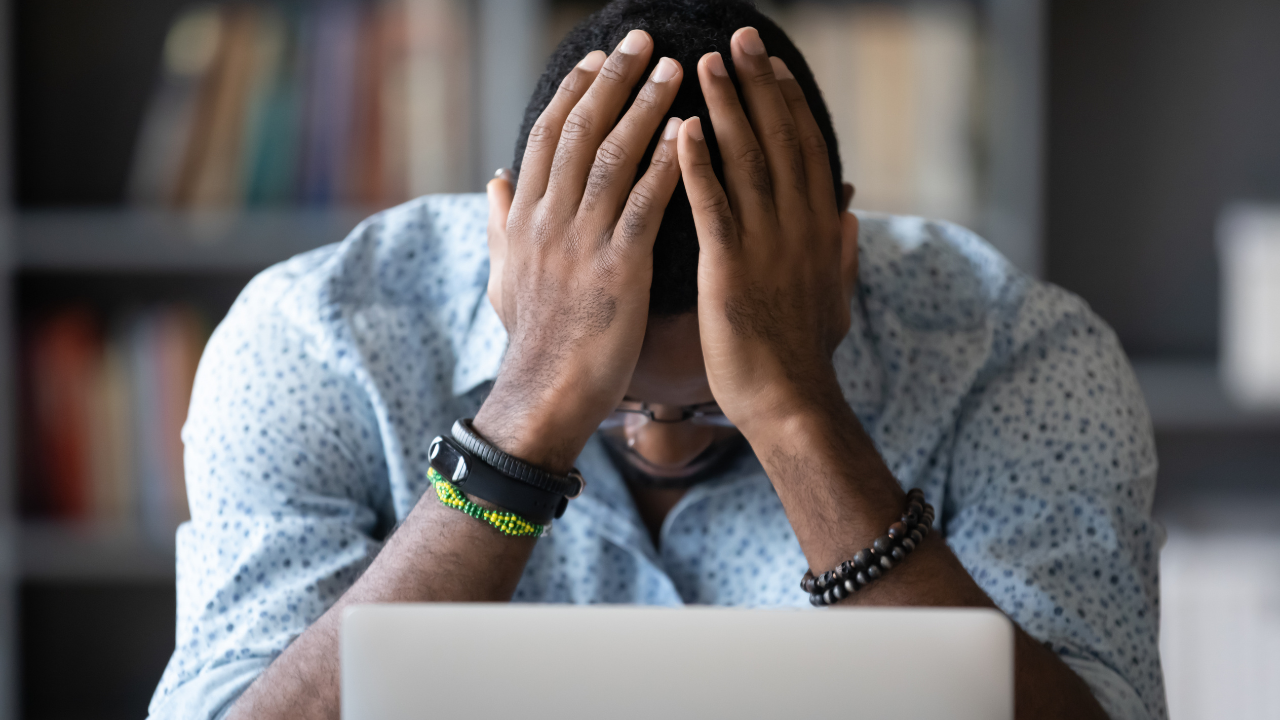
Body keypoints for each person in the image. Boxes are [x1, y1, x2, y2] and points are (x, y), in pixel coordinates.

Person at [147, 1, 1166, 719]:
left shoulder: (1016, 358)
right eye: (615, 404)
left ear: (838, 259)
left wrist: (798, 418)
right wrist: (527, 417)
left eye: (715, 408)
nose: (661, 449)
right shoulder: (315, 341)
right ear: (507, 248)